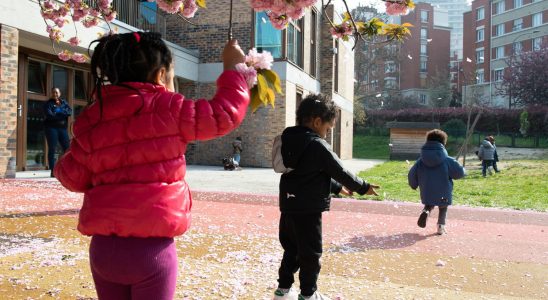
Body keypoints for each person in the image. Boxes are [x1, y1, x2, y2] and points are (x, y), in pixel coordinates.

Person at [53, 32, 249, 300]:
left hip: (104, 251)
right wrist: (233, 70)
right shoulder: (168, 108)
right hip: (151, 252)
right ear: (160, 76)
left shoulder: (93, 117)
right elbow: (222, 114)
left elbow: (71, 177)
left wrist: (80, 150)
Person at [272, 94, 380, 300]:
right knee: (311, 254)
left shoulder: (289, 140)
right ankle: (308, 294)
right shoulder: (317, 145)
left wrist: (336, 188)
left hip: (288, 207)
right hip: (309, 210)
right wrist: (363, 187)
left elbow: (307, 172)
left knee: (292, 250)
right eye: (328, 129)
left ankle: (282, 291)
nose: (327, 133)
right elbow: (339, 170)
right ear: (317, 121)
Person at [408, 129, 466, 235]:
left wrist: (413, 184)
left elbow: (412, 173)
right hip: (443, 191)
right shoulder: (447, 160)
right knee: (443, 207)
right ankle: (440, 226)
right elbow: (459, 173)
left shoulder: (420, 161)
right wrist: (463, 170)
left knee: (429, 204)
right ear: (443, 143)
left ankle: (426, 211)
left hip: (427, 191)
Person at [43, 87, 72, 177]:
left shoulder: (64, 102)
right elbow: (50, 116)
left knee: (67, 149)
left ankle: (68, 170)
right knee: (52, 149)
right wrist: (62, 114)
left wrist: (57, 112)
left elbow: (69, 112)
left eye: (56, 92)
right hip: (51, 129)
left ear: (60, 93)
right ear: (51, 94)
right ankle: (53, 171)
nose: (55, 94)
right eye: (53, 92)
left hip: (62, 129)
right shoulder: (48, 104)